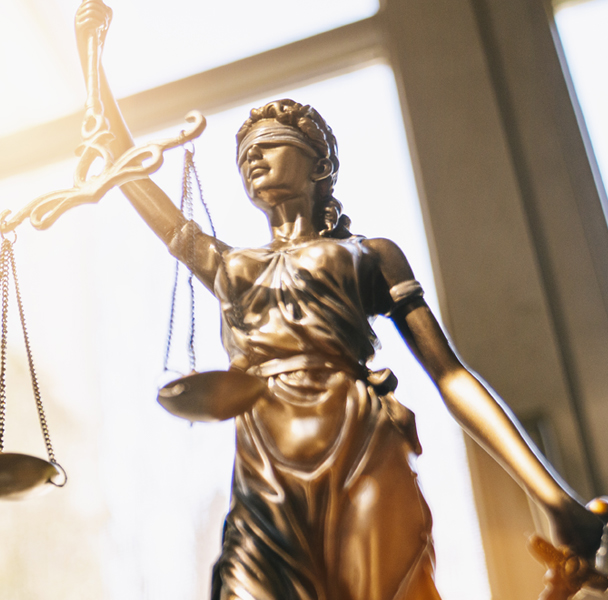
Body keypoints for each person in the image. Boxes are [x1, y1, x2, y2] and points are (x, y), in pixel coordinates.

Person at [69, 2, 606, 599]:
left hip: (360, 450)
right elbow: (133, 179)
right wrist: (93, 69)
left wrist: (553, 497)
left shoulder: (368, 255)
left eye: (270, 144)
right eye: (244, 154)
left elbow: (450, 375)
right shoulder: (230, 266)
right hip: (264, 473)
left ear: (319, 161)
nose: (253, 158)